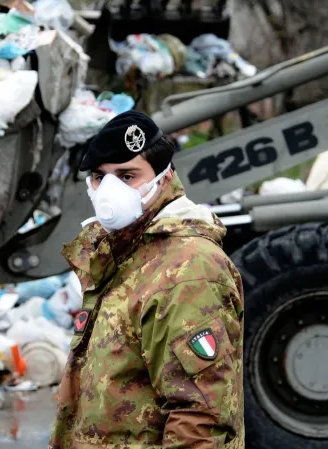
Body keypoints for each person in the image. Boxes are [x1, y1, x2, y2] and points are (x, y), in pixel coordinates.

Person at [49, 111, 245, 449]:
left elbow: (202, 417)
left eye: (127, 176)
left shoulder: (187, 271)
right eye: (100, 176)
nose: (109, 190)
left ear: (164, 178)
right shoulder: (124, 255)